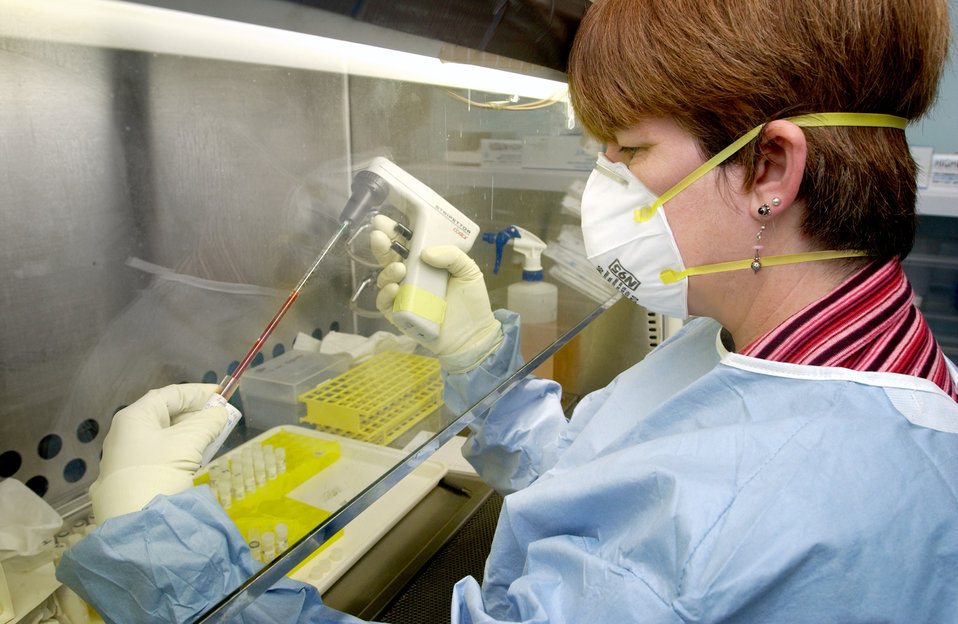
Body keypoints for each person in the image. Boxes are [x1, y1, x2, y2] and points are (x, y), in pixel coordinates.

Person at [57, 0, 958, 621]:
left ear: (769, 170)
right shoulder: (836, 358)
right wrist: (485, 367)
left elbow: (666, 551)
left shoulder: (735, 521)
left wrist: (165, 563)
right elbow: (623, 493)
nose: (594, 189)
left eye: (630, 149)